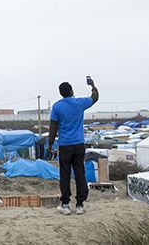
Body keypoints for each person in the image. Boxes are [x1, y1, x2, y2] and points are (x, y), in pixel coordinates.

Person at [48, 78, 99, 215]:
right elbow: (95, 97)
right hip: (79, 144)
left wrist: (49, 144)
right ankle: (80, 204)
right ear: (71, 91)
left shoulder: (57, 106)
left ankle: (65, 204)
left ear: (61, 93)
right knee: (80, 173)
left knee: (64, 174)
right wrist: (92, 85)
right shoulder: (80, 103)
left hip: (64, 145)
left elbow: (53, 127)